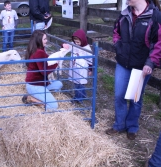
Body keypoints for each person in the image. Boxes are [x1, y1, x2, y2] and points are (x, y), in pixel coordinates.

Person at [105, 0, 161, 140]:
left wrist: (150, 63)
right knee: (119, 95)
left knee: (135, 98)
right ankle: (119, 125)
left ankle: (132, 126)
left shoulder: (155, 16)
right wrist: (118, 46)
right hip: (123, 62)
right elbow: (116, 32)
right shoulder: (124, 14)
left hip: (141, 66)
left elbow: (158, 43)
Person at [23, 30, 63, 109]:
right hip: (35, 86)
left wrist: (62, 49)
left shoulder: (37, 50)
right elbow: (44, 71)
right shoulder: (39, 52)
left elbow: (47, 61)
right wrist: (56, 63)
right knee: (54, 106)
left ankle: (42, 95)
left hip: (41, 84)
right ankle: (33, 99)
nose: (46, 40)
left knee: (59, 84)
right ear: (39, 40)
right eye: (44, 39)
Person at [68, 29, 93, 103]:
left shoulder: (86, 48)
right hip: (75, 67)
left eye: (78, 42)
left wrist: (90, 69)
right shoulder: (74, 44)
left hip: (82, 68)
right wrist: (63, 45)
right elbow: (67, 46)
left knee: (80, 83)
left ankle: (78, 98)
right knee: (76, 82)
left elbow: (90, 59)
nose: (77, 43)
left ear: (83, 40)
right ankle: (83, 95)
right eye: (75, 41)